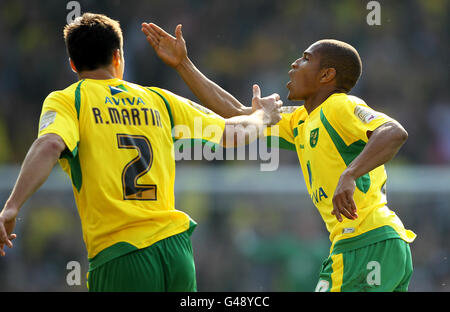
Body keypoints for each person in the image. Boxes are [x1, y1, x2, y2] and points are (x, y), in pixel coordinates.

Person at [0, 13, 283, 292]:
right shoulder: (159, 99)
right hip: (176, 251)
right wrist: (264, 117)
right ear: (118, 57)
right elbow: (232, 132)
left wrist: (11, 206)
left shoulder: (67, 100)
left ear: (73, 64)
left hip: (122, 255)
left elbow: (49, 144)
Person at [141, 22, 417, 292]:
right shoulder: (300, 120)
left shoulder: (339, 105)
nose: (295, 63)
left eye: (306, 59)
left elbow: (393, 131)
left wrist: (350, 173)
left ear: (326, 75)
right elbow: (235, 112)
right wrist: (183, 64)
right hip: (379, 244)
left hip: (364, 242)